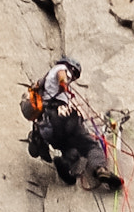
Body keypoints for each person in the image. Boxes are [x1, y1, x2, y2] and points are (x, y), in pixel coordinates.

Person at [27, 57, 123, 190]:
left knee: (71, 151)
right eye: (75, 74)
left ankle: (64, 163)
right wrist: (63, 84)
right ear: (70, 66)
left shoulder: (43, 83)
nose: (74, 77)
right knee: (90, 146)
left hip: (49, 124)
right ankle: (100, 169)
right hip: (64, 118)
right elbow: (62, 76)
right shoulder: (61, 69)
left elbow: (38, 88)